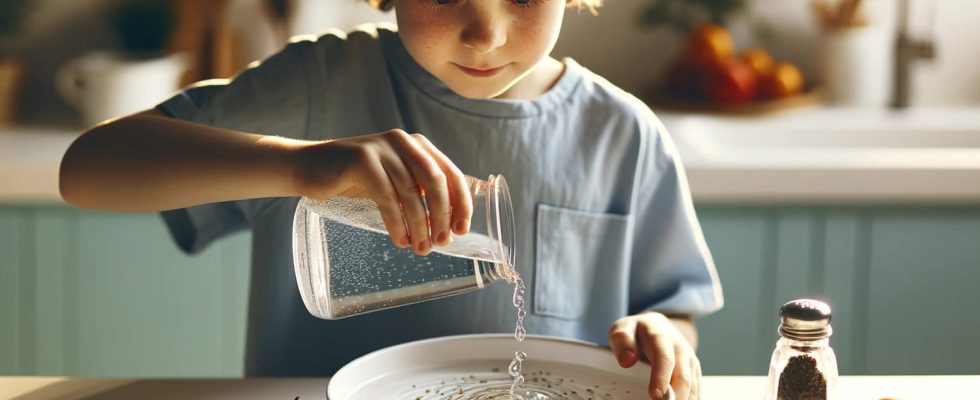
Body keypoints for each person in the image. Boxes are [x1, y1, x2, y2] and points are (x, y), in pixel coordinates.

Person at [59, 0, 723, 399]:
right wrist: (299, 164)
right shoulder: (318, 86)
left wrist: (662, 334)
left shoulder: (621, 133)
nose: (485, 32)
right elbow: (87, 170)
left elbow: (672, 311)